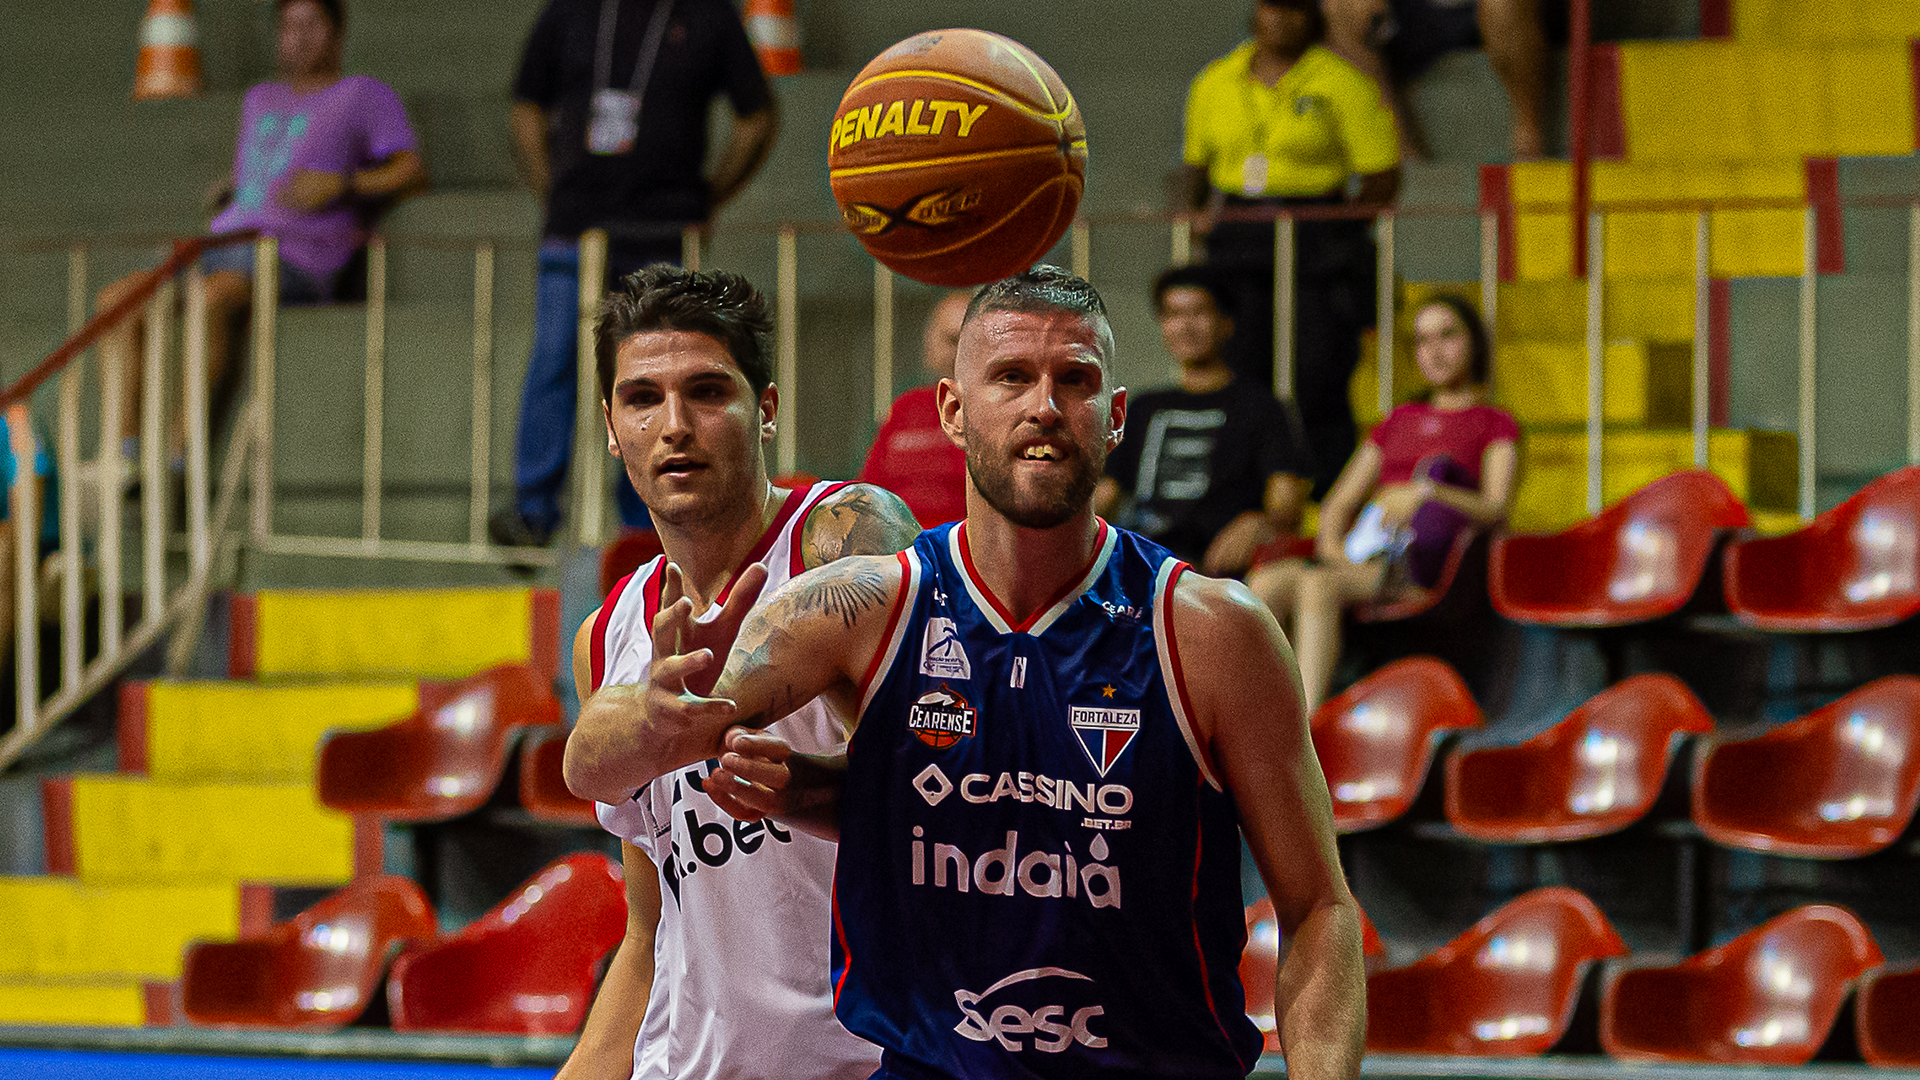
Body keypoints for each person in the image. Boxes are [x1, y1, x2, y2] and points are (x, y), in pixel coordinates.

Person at [568, 266, 1366, 1080]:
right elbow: (603, 793)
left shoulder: (1212, 631)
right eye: (1012, 377)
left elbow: (1319, 908)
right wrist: (669, 721)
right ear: (951, 408)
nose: (1044, 407)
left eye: (1076, 381)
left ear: (1118, 417)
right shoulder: (855, 609)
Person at [557, 265, 917, 1080]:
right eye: (642, 399)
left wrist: (808, 781)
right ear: (612, 427)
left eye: (708, 392)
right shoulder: (607, 633)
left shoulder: (845, 538)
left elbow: (945, 799)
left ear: (767, 409)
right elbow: (649, 933)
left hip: (868, 1063)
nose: (673, 425)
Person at [490, 0, 781, 548]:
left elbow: (759, 116)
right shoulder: (568, 13)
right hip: (576, 229)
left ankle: (640, 524)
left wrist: (712, 194)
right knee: (555, 359)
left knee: (657, 374)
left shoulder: (708, 17)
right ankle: (533, 512)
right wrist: (552, 192)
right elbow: (525, 107)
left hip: (662, 233)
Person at [92, 0, 425, 475]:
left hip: (298, 253)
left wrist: (344, 184)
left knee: (213, 298)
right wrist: (233, 191)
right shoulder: (260, 99)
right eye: (289, 26)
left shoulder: (363, 95)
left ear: (337, 32)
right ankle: (123, 455)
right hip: (225, 239)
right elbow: (264, 169)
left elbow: (412, 172)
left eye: (312, 25)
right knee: (118, 300)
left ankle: (177, 459)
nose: (299, 37)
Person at [1246, 294, 1517, 710]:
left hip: (1427, 568)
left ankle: (1304, 726)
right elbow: (1339, 502)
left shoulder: (1494, 422)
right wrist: (1336, 552)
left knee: (1316, 586)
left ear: (1474, 343)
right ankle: (1249, 718)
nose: (1435, 351)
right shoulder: (1399, 420)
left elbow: (1496, 508)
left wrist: (1429, 492)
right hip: (1365, 557)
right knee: (1266, 582)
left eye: (1448, 336)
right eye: (1423, 341)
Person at [1175, 0, 1400, 499]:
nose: (1281, 19)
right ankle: (1245, 490)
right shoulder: (1215, 80)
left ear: (1313, 17)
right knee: (1238, 362)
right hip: (1238, 233)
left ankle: (1324, 493)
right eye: (1271, 7)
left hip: (1315, 232)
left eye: (1294, 9)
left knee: (1319, 366)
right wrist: (1193, 220)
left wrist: (1339, 231)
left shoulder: (1343, 81)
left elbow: (1383, 175)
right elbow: (1193, 168)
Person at [1096, 265, 1313, 576]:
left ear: (1226, 323)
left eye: (1199, 312)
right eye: (1173, 314)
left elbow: (1286, 502)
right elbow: (1106, 494)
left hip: (1220, 569)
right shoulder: (1142, 407)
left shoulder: (1260, 407)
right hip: (1141, 561)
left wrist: (1260, 524)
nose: (1185, 326)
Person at [1323, 0, 1549, 161]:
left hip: (1489, 14)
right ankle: (1402, 158)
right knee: (1343, 5)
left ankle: (1527, 137)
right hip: (1415, 17)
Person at [858, 290, 971, 528]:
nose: (958, 352)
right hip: (896, 545)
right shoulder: (904, 407)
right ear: (930, 343)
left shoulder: (991, 411)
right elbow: (869, 491)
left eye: (967, 341)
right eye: (951, 340)